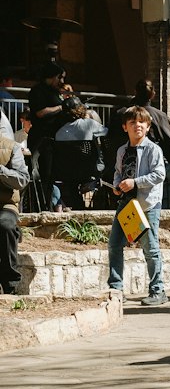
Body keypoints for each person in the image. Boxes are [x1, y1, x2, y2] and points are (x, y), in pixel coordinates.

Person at [107, 106, 168, 306]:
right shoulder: (122, 151)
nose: (137, 126)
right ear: (125, 127)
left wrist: (135, 182)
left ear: (148, 125)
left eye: (141, 122)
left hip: (147, 205)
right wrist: (117, 185)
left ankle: (158, 290)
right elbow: (118, 172)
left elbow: (159, 175)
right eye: (132, 122)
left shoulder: (153, 149)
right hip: (126, 205)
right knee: (115, 244)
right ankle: (116, 289)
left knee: (150, 249)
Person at [27, 61, 69, 209]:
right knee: (42, 174)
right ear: (51, 77)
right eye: (59, 77)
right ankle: (41, 207)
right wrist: (60, 107)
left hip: (54, 139)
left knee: (51, 176)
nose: (61, 81)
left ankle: (50, 204)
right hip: (41, 139)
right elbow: (40, 112)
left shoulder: (55, 92)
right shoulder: (37, 91)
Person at [53, 97, 107, 209]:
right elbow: (106, 134)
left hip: (67, 173)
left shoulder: (59, 132)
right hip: (89, 171)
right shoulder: (90, 124)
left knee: (72, 184)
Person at [0, 107, 29, 293]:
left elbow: (23, 179)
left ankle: (10, 284)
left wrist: (1, 170)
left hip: (6, 204)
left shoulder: (12, 147)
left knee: (5, 225)